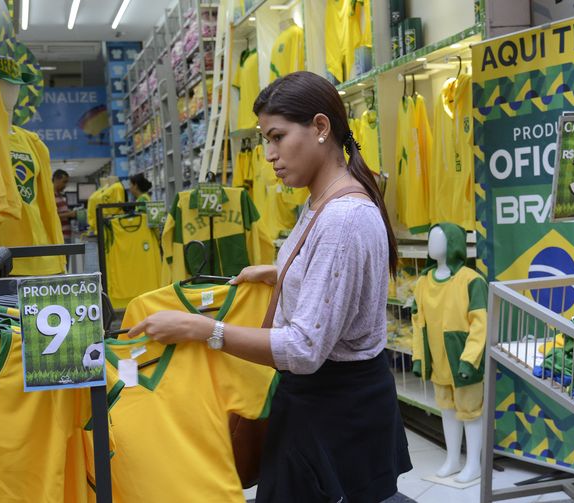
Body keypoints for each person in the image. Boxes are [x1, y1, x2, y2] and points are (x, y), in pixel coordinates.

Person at [127, 71, 412, 502]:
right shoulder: (322, 199)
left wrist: (202, 331)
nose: (269, 154)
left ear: (320, 127)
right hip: (329, 406)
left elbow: (303, 348)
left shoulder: (342, 217)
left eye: (277, 137)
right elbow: (336, 277)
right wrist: (282, 272)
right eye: (265, 140)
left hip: (335, 412)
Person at [53, 169, 76, 243]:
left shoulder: (60, 196)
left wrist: (68, 212)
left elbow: (60, 212)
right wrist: (69, 214)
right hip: (59, 237)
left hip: (66, 236)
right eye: (64, 182)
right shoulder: (51, 196)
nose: (65, 185)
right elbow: (51, 216)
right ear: (56, 179)